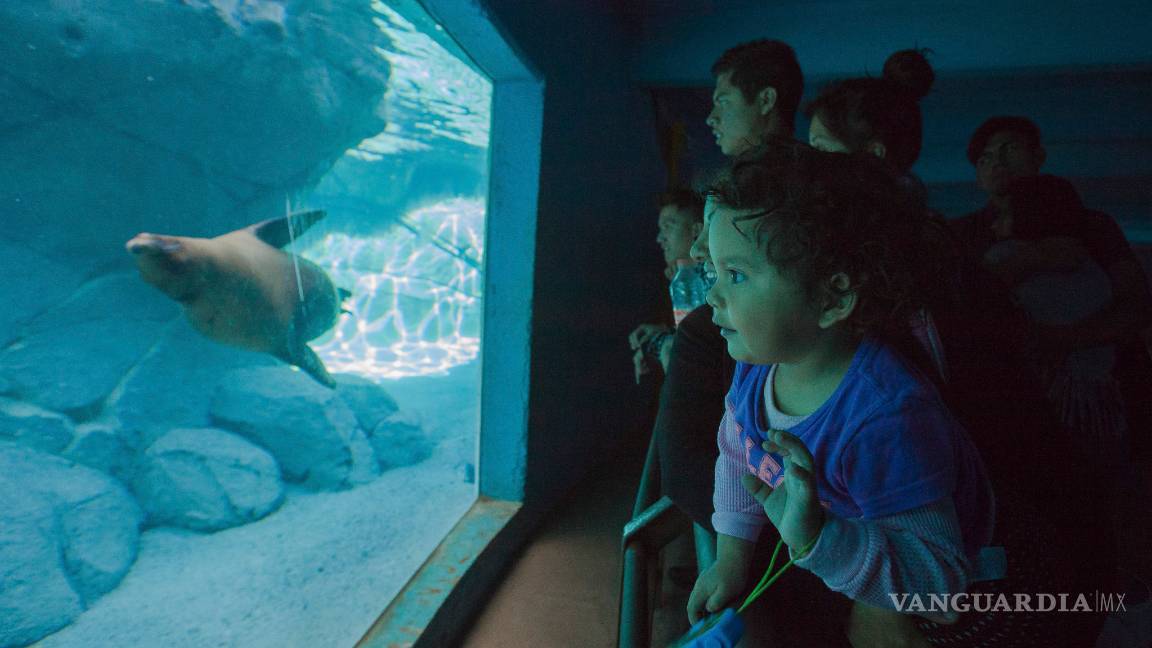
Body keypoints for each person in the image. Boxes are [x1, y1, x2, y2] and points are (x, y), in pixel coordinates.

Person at [686, 141, 997, 646]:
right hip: (846, 537)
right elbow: (735, 450)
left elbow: (940, 586)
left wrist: (820, 539)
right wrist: (731, 557)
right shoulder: (757, 367)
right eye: (713, 273)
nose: (712, 296)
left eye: (736, 275)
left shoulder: (886, 418)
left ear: (832, 297)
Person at [654, 39, 805, 530]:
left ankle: (745, 543)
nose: (711, 118)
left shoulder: (794, 184)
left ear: (765, 100)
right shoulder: (801, 177)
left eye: (721, 102)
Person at [628, 190, 705, 383]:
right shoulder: (680, 278)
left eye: (668, 227)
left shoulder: (712, 277)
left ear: (696, 230)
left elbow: (697, 348)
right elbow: (689, 333)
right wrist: (662, 332)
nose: (659, 239)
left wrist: (658, 343)